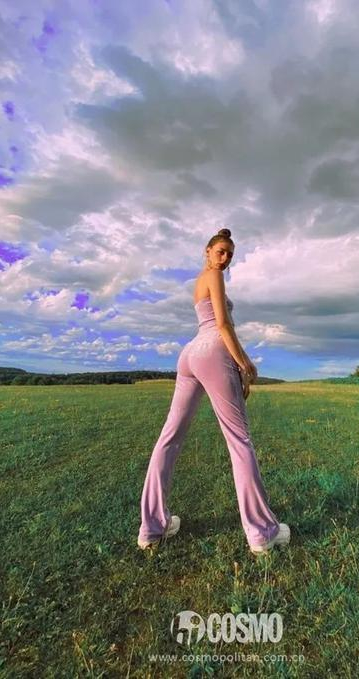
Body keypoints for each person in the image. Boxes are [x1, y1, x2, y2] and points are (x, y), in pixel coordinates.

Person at [137, 228, 290, 555]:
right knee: (239, 440)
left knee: (169, 437)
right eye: (221, 251)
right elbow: (222, 324)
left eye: (230, 254)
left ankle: (152, 528)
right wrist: (244, 363)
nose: (225, 258)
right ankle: (262, 533)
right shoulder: (213, 276)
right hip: (212, 350)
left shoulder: (199, 281)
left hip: (190, 354)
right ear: (207, 251)